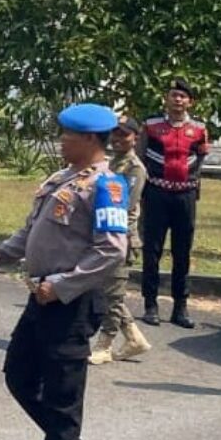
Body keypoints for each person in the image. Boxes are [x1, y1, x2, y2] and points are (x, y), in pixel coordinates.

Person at [0, 103, 128, 440]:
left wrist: (63, 285)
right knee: (19, 374)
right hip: (41, 297)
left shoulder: (108, 185)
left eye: (68, 135)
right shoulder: (60, 179)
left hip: (71, 302)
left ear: (89, 140)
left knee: (64, 392)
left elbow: (112, 250)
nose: (61, 140)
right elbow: (30, 234)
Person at [139, 77, 210, 329]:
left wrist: (192, 186)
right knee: (152, 250)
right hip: (156, 194)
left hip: (185, 197)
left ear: (190, 101)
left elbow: (200, 160)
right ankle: (150, 304)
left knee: (182, 252)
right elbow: (140, 158)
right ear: (166, 99)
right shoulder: (150, 125)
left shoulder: (200, 129)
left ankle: (180, 307)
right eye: (173, 95)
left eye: (183, 96)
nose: (178, 100)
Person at [89, 116, 151, 364]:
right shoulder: (112, 162)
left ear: (135, 137)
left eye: (124, 134)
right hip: (103, 232)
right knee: (107, 291)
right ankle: (134, 338)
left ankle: (105, 344)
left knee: (111, 294)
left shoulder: (134, 168)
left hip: (121, 236)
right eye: (115, 134)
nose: (117, 139)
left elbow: (126, 204)